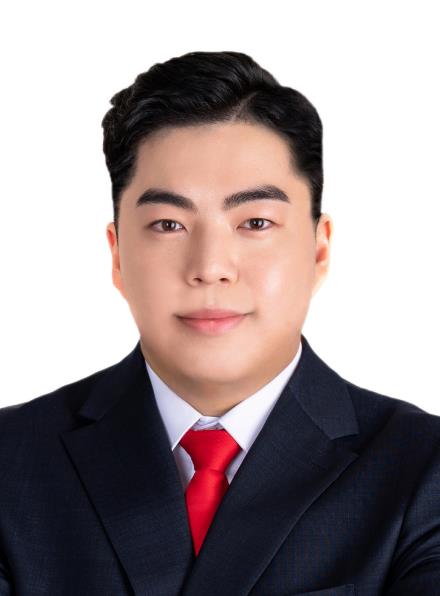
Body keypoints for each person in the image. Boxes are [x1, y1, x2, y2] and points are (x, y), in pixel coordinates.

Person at [1, 51, 439, 596]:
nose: (210, 267)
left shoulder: (422, 470)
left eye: (255, 221)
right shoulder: (11, 463)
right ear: (117, 255)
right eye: (168, 224)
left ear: (319, 249)